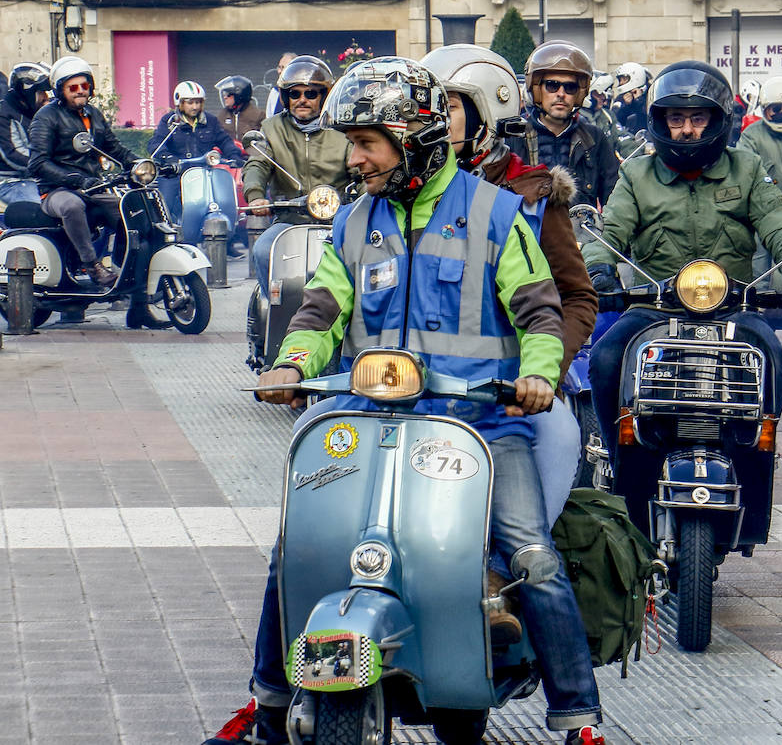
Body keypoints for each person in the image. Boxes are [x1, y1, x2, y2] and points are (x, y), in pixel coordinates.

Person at [203, 57, 605, 745]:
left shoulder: (496, 213)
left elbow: (541, 314)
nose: (353, 158)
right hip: (371, 420)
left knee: (531, 553)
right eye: (351, 143)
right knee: (294, 543)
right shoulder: (355, 221)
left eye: (366, 143)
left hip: (483, 423)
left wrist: (538, 377)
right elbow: (323, 311)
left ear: (412, 138)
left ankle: (578, 718)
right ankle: (267, 705)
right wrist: (290, 365)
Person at [582, 60, 782, 464]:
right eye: (676, 118)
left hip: (735, 308)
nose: (687, 129)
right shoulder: (637, 174)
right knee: (606, 358)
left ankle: (756, 458)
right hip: (652, 308)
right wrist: (600, 271)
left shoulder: (746, 168)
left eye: (698, 117)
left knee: (773, 361)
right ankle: (617, 458)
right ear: (659, 120)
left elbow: (779, 226)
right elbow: (610, 232)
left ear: (719, 120)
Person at [421, 43, 598, 527]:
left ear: (487, 110)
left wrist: (543, 376)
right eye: (426, 106)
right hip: (417, 382)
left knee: (561, 437)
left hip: (511, 387)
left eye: (448, 106)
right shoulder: (407, 190)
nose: (432, 118)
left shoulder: (533, 193)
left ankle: (528, 565)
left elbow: (578, 297)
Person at [26, 57, 146, 289]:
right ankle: (92, 265)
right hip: (56, 191)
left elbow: (114, 148)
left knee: (129, 209)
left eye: (85, 86)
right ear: (60, 90)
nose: (80, 91)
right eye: (73, 87)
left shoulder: (93, 114)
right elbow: (38, 163)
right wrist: (75, 179)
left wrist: (140, 163)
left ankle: (125, 269)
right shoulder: (46, 117)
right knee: (72, 206)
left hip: (92, 188)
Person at [242, 56, 353, 285]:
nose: (302, 100)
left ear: (324, 96)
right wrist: (255, 196)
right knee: (264, 251)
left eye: (311, 93)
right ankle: (273, 308)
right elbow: (257, 163)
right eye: (295, 94)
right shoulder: (271, 128)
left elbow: (360, 169)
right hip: (290, 220)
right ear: (285, 97)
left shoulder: (342, 130)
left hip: (340, 219)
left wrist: (361, 196)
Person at [510, 41, 619, 208]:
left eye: (570, 87)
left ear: (579, 93)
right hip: (524, 231)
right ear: (537, 89)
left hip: (580, 231)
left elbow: (615, 200)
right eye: (552, 85)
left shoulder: (594, 139)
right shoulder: (514, 137)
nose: (561, 94)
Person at [149, 81, 244, 220]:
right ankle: (166, 233)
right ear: (180, 102)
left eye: (198, 102)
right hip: (174, 173)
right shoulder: (170, 121)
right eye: (190, 102)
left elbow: (224, 140)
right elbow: (156, 143)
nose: (195, 106)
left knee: (220, 200)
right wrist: (167, 158)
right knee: (165, 207)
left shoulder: (210, 121)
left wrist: (234, 155)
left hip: (203, 173)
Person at [0, 62, 50, 207]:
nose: (46, 97)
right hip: (12, 183)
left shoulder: (33, 112)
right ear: (27, 91)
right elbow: (12, 154)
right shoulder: (4, 114)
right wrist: (47, 165)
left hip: (36, 179)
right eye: (41, 92)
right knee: (40, 209)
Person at [611, 61, 650, 134]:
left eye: (624, 79)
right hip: (627, 139)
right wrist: (625, 106)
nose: (621, 82)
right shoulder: (621, 97)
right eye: (620, 79)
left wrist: (639, 101)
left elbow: (650, 118)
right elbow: (614, 120)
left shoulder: (650, 93)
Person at [262, 51, 299, 118]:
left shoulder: (302, 93)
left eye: (283, 67)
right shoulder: (275, 92)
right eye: (279, 67)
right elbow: (269, 118)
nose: (279, 71)